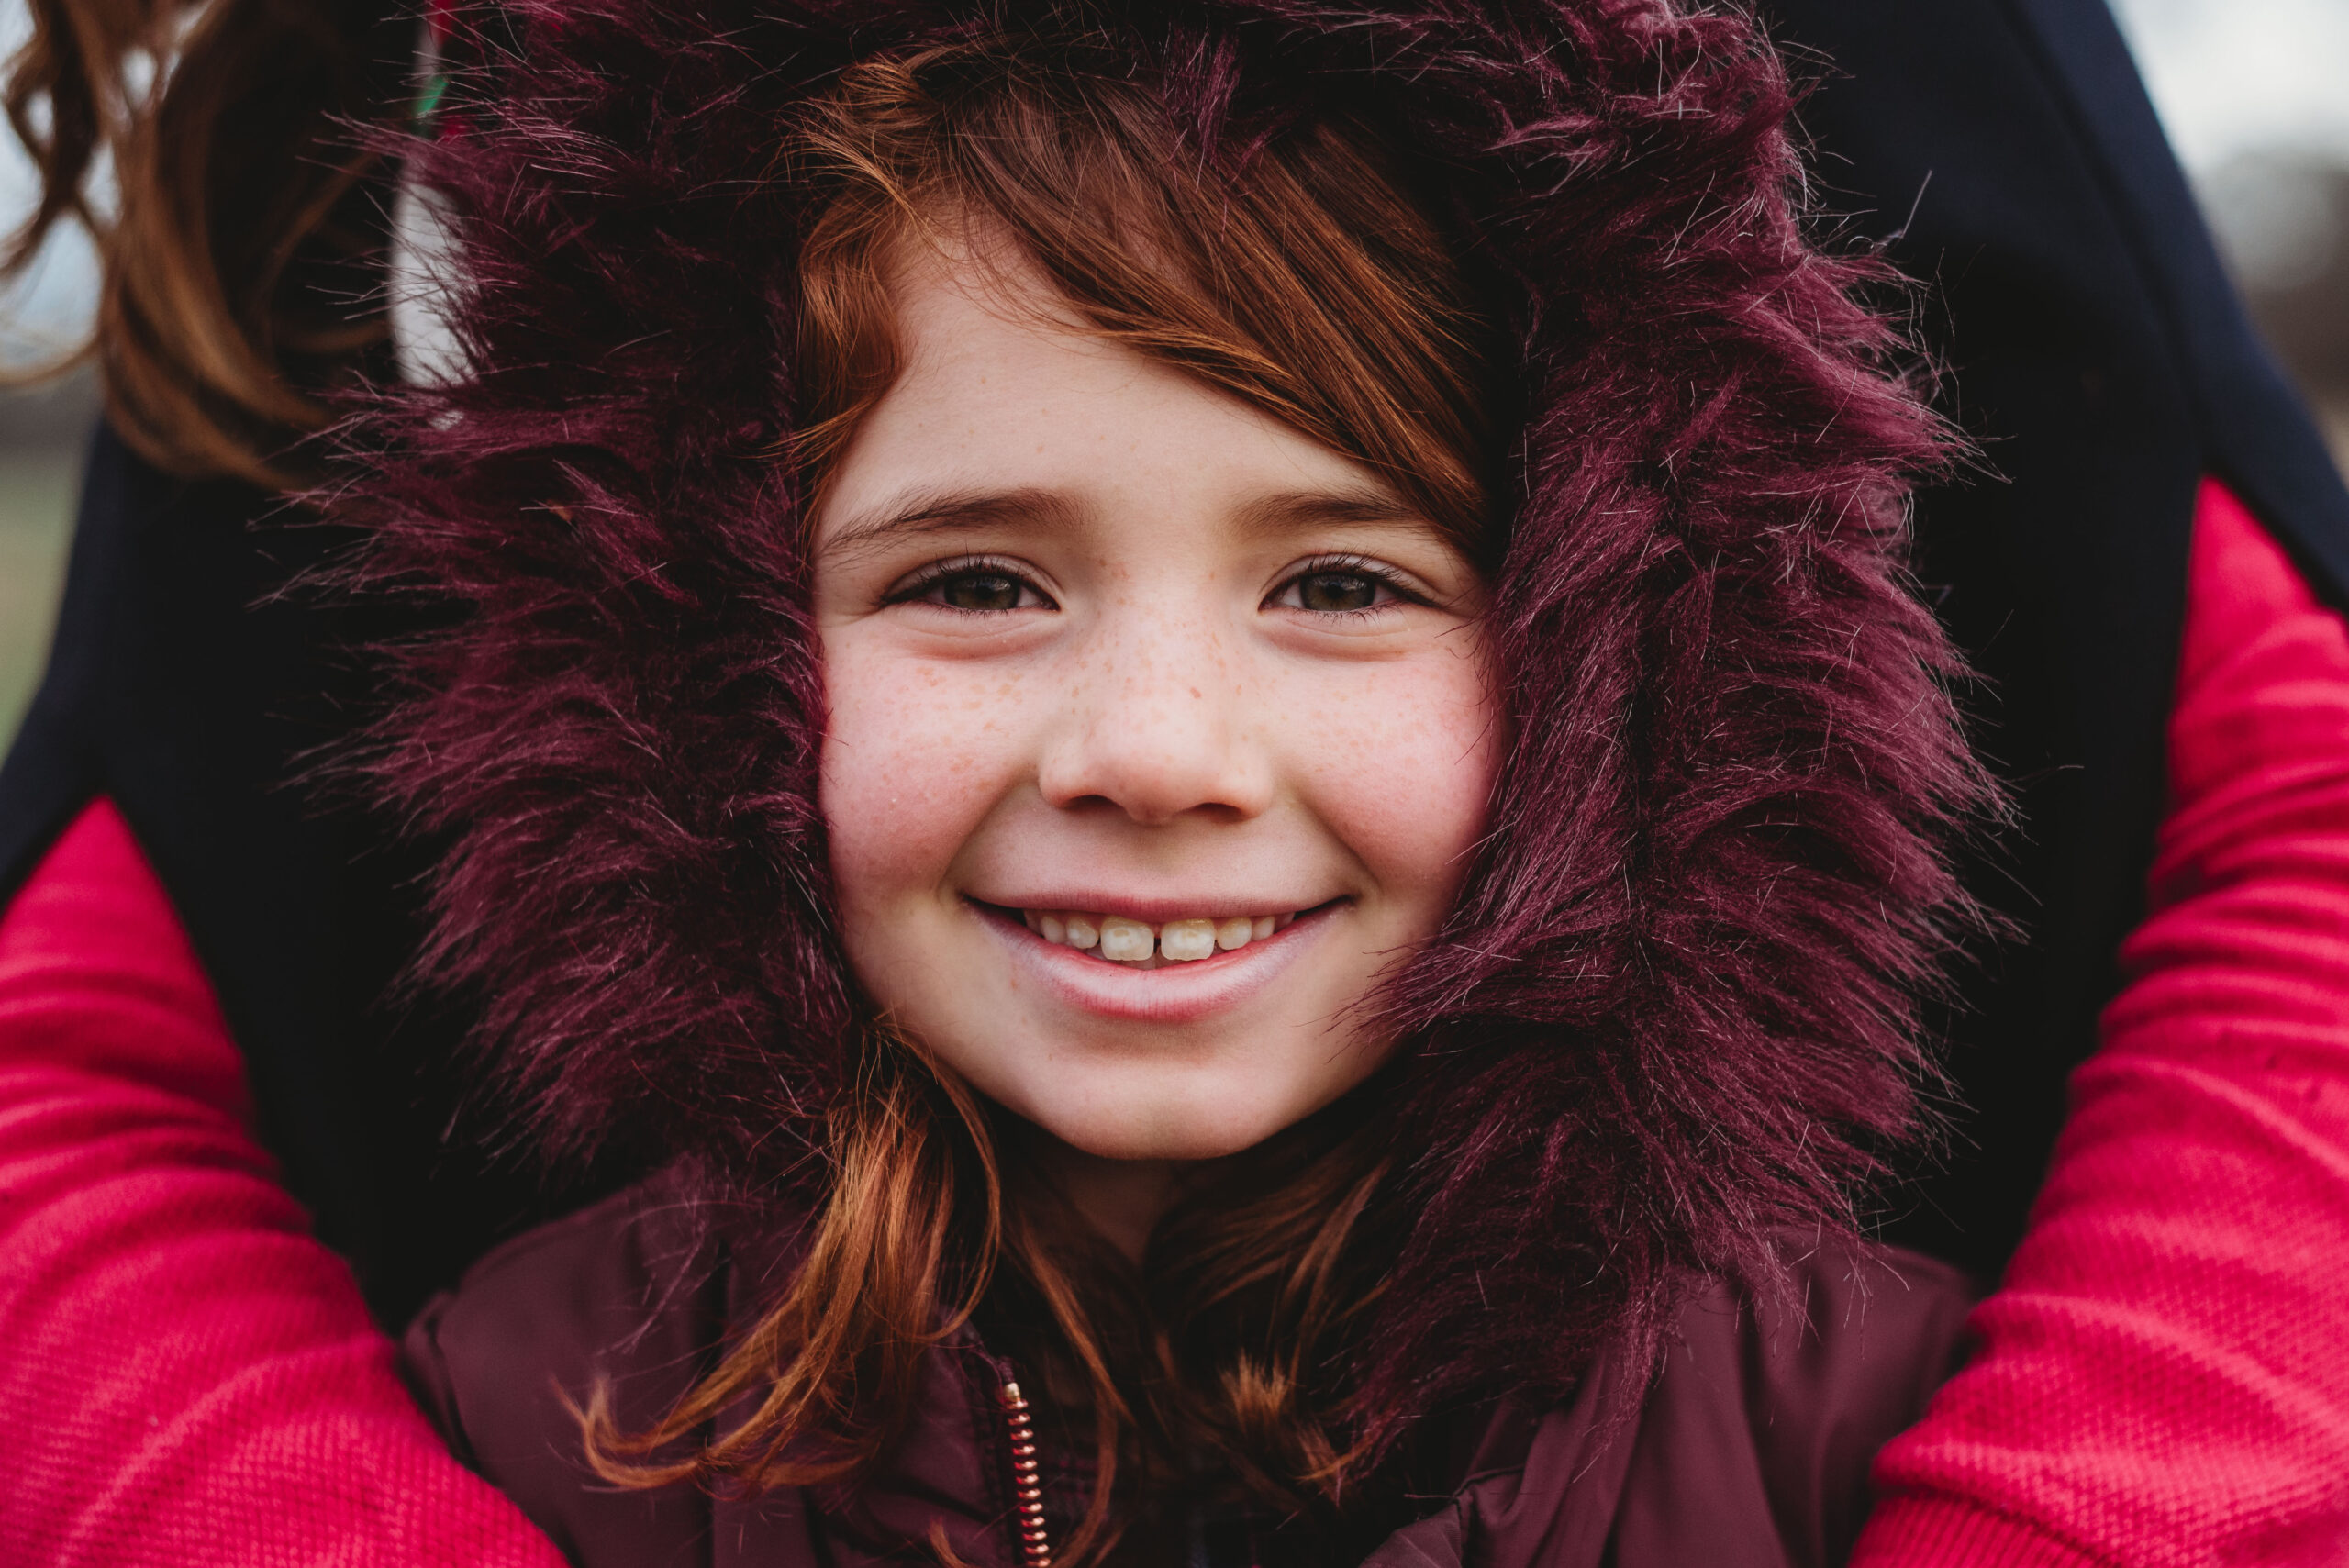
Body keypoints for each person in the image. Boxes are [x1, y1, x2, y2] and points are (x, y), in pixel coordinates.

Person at [0, 1, 2343, 1565]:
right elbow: (73, 1046)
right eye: (973, 585)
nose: (1152, 750)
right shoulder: (567, 1395)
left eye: (1338, 586)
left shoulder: (1786, 1405)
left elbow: (2295, 798)